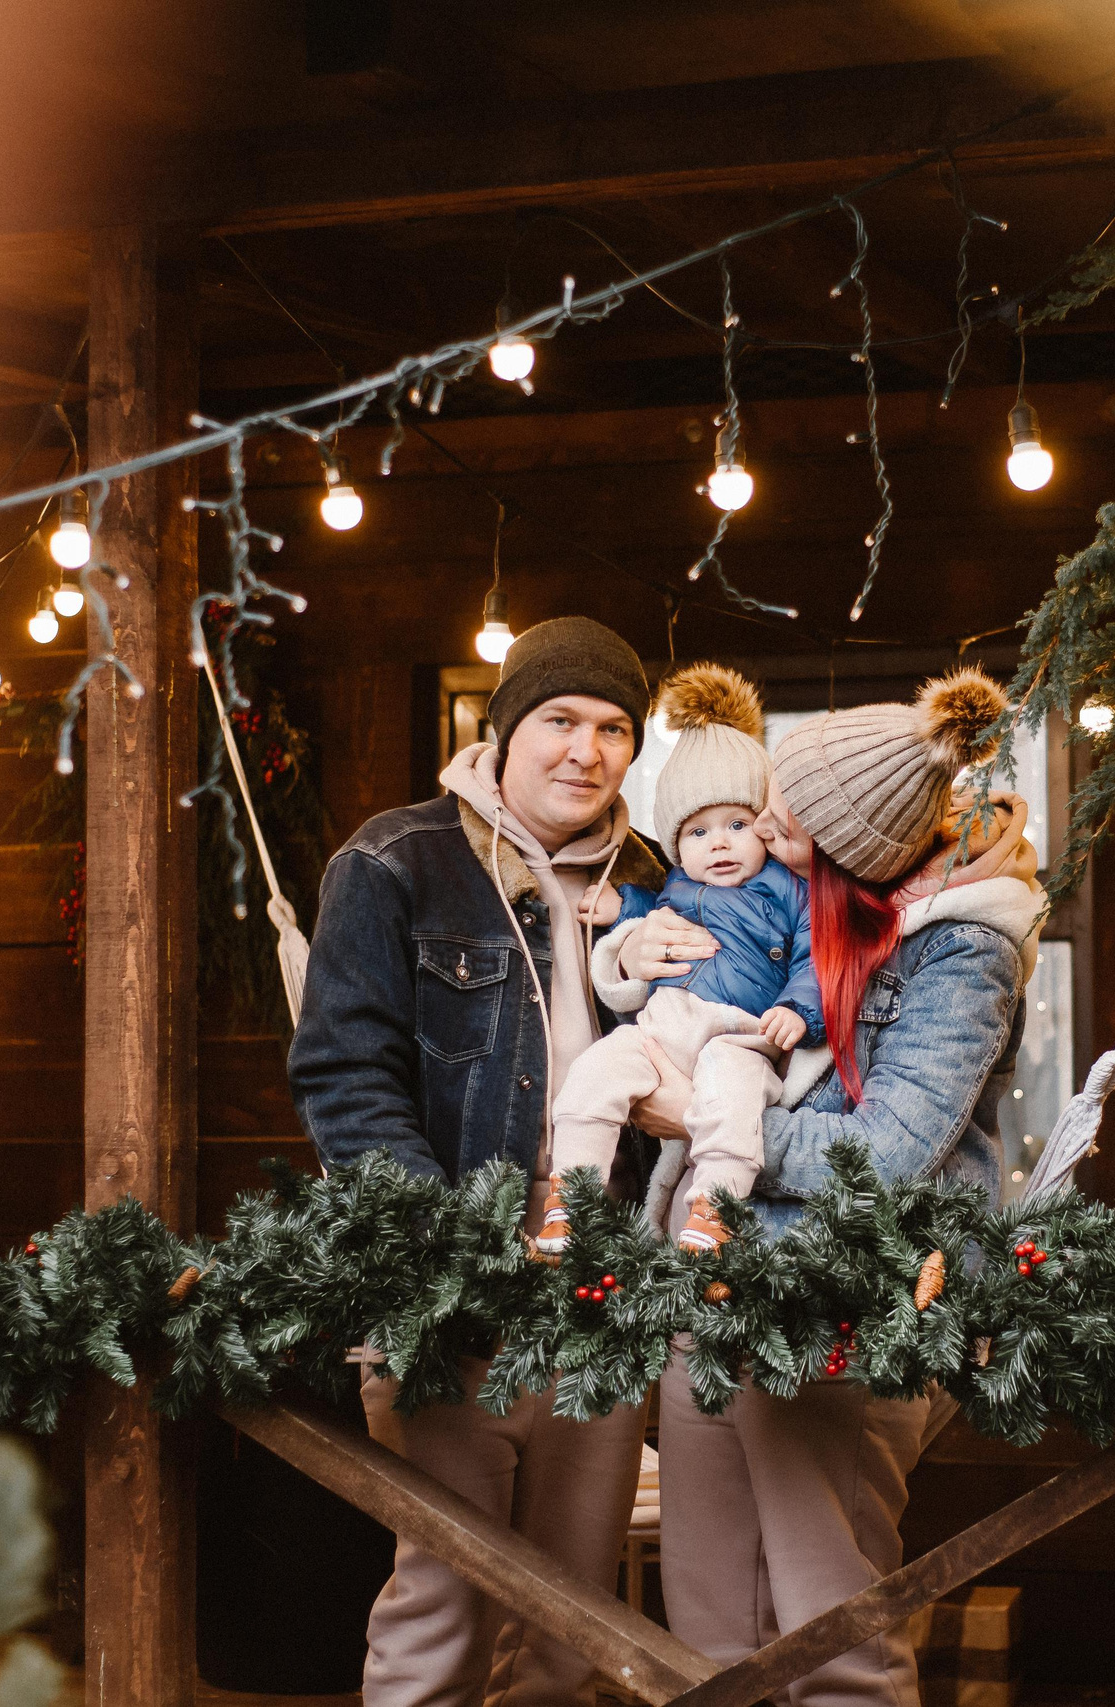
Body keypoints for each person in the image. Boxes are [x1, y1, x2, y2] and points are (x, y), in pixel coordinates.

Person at [600, 668, 1048, 1707]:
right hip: (713, 1291)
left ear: (851, 848)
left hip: (845, 1305)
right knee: (708, 1631)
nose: (759, 825)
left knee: (831, 1632)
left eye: (786, 817)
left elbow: (888, 1152)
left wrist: (713, 1124)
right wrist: (628, 949)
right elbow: (681, 970)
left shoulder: (960, 949)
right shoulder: (810, 911)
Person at [287, 615, 671, 1707]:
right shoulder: (395, 861)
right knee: (443, 1603)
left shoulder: (652, 883)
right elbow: (344, 1075)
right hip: (450, 1297)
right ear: (500, 729)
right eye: (558, 720)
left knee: (568, 1622)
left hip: (599, 1298)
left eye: (611, 728)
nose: (584, 752)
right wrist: (447, 1253)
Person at [545, 663, 822, 1254]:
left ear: (766, 826)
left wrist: (801, 1008)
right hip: (666, 1028)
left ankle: (714, 1208)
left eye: (737, 823)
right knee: (595, 1073)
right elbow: (650, 912)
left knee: (731, 1105)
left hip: (742, 1035)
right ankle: (571, 1196)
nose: (718, 842)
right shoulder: (673, 886)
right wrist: (622, 911)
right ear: (675, 845)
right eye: (697, 833)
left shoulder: (789, 887)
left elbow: (815, 955)